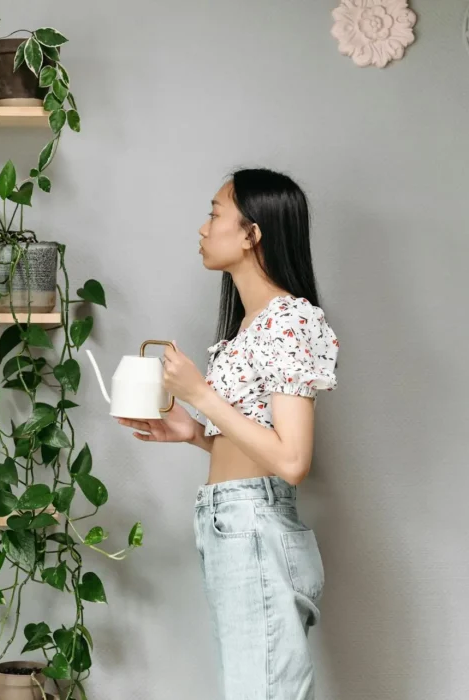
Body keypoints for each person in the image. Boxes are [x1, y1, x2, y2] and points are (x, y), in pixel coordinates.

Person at [117, 168, 339, 699]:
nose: (202, 228)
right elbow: (256, 440)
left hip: (253, 522)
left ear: (252, 233)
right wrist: (194, 433)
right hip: (231, 521)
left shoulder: (289, 319)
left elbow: (292, 461)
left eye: (215, 213)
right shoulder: (250, 325)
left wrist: (200, 395)